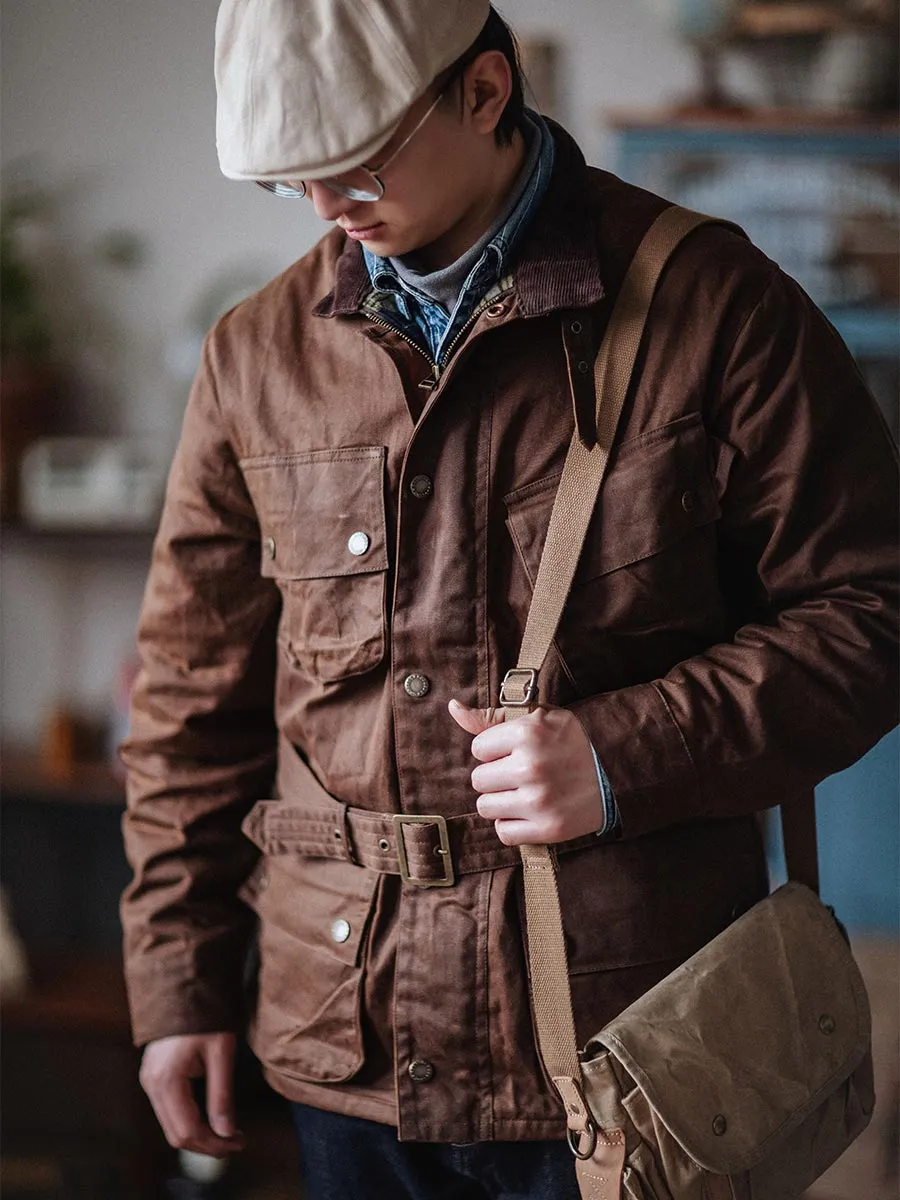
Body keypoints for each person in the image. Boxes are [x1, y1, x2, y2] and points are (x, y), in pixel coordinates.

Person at [120, 2, 900, 1197]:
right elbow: (187, 705)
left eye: (358, 162)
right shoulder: (253, 358)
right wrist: (176, 984)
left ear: (484, 91)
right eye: (294, 182)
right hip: (348, 1044)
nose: (331, 207)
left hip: (632, 1044)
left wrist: (618, 755)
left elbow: (871, 613)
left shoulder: (719, 309)